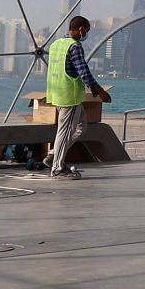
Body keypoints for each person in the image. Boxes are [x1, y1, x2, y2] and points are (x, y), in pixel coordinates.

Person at [44, 16, 111, 179]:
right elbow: (83, 71)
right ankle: (57, 168)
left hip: (56, 93)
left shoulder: (56, 44)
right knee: (65, 131)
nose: (85, 34)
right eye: (86, 31)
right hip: (70, 96)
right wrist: (99, 90)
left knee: (81, 127)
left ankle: (53, 155)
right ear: (81, 29)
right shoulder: (74, 46)